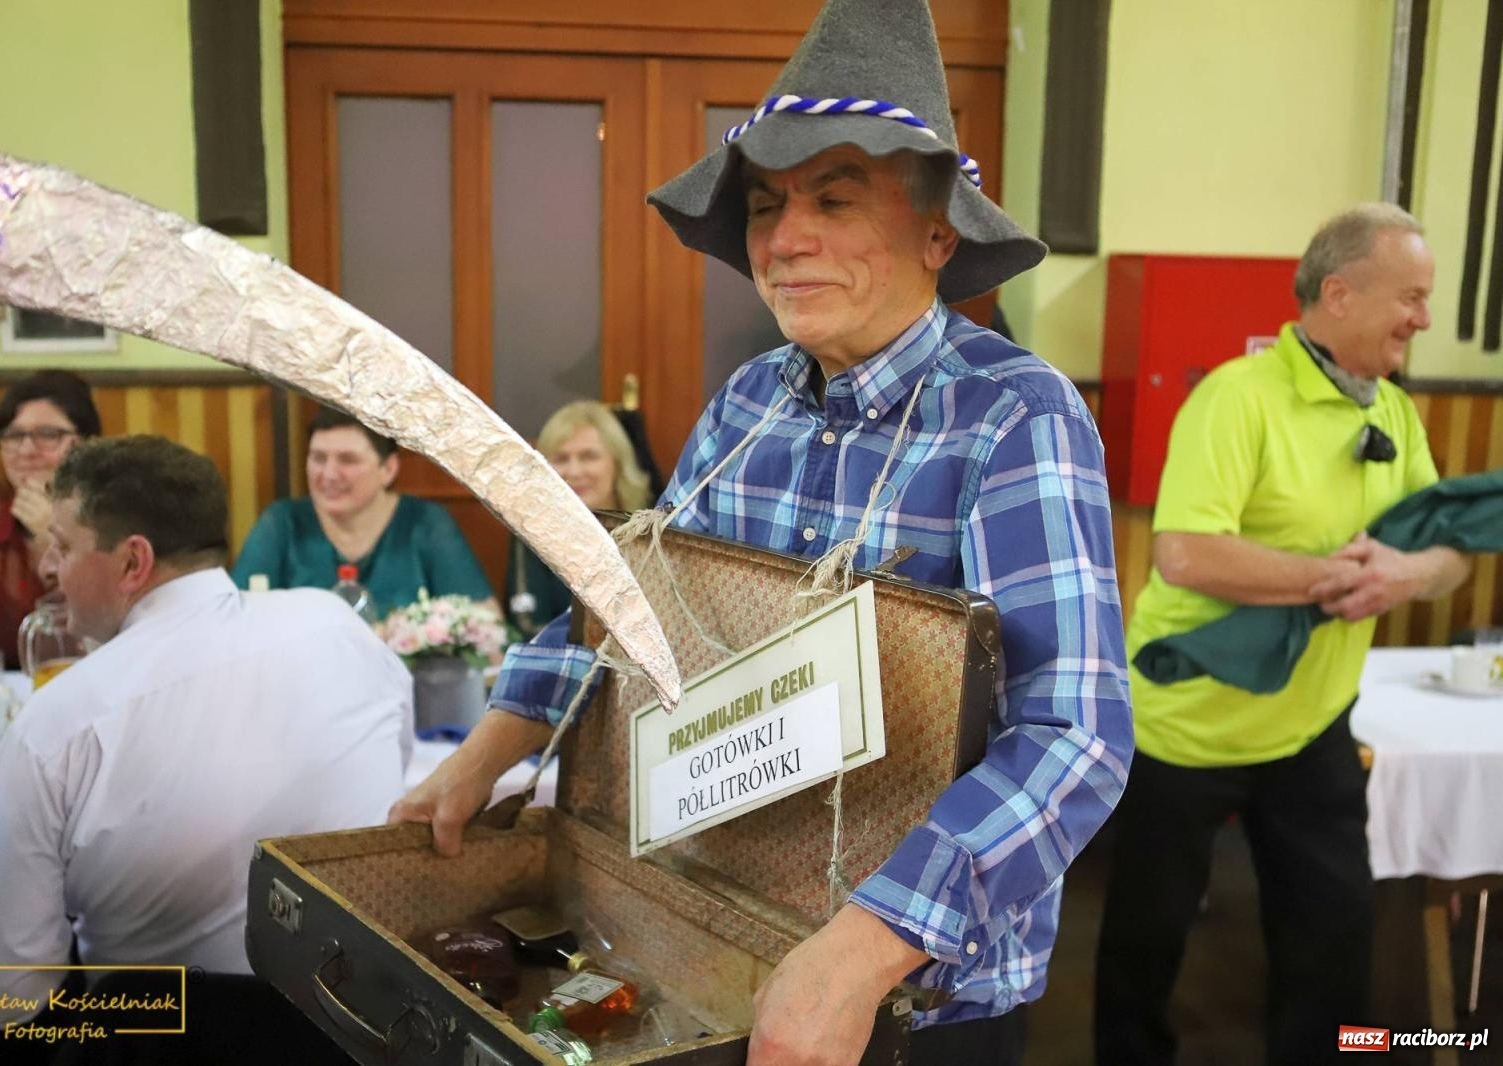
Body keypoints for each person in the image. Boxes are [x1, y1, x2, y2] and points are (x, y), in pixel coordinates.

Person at [389, 2, 1132, 1063]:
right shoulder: (749, 404)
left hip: (918, 1001)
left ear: (938, 232)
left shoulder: (1013, 416)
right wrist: (484, 755)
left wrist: (865, 950)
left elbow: (1074, 738)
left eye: (835, 197)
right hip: (725, 938)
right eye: (767, 205)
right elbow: (631, 612)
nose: (784, 240)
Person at [1094, 204, 1472, 1066]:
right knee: (1146, 946)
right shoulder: (1237, 398)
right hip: (1186, 727)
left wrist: (1409, 574)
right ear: (1338, 294)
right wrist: (1338, 579)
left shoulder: (1396, 413)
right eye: (1411, 297)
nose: (1423, 319)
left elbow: (1449, 548)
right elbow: (1186, 553)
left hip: (1312, 725)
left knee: (1332, 943)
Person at [0, 435, 413, 1029]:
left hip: (164, 1041)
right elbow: (393, 781)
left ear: (133, 562)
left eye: (64, 545)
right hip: (370, 1028)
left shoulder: (60, 722)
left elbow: (5, 995)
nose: (49, 566)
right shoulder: (339, 625)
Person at [231, 407, 494, 615]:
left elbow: (485, 630)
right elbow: (234, 618)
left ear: (388, 469)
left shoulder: (426, 523)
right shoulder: (282, 523)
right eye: (318, 458)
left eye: (348, 460)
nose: (329, 474)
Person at [0, 370, 100, 688]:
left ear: (87, 444)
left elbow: (108, 633)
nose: (26, 450)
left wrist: (52, 537)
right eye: (13, 436)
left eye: (47, 434)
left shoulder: (113, 523)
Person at [506, 400, 654, 635]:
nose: (574, 472)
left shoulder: (649, 531)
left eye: (588, 457)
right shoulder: (532, 530)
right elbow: (527, 624)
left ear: (617, 464)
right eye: (561, 458)